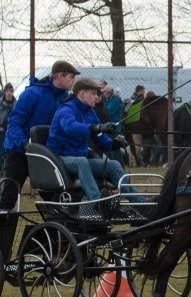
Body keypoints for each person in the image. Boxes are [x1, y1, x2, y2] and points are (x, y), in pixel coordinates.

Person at [46, 77, 145, 209]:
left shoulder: (90, 113)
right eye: (93, 93)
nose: (97, 97)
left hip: (80, 159)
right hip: (60, 158)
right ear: (82, 94)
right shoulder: (66, 109)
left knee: (113, 165)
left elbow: (101, 140)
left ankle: (141, 204)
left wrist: (114, 143)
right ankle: (98, 203)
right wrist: (95, 127)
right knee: (82, 161)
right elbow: (70, 127)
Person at [0, 60, 78, 210]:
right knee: (9, 197)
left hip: (44, 154)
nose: (74, 81)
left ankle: (52, 230)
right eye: (71, 77)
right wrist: (23, 143)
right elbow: (14, 122)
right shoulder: (33, 94)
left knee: (55, 197)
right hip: (20, 152)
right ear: (60, 76)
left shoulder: (64, 99)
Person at [0, 83, 16, 176]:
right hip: (2, 129)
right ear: (5, 92)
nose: (9, 93)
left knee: (11, 151)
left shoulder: (16, 103)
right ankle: (1, 169)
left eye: (11, 91)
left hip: (12, 130)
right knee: (2, 150)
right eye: (7, 91)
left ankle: (9, 169)